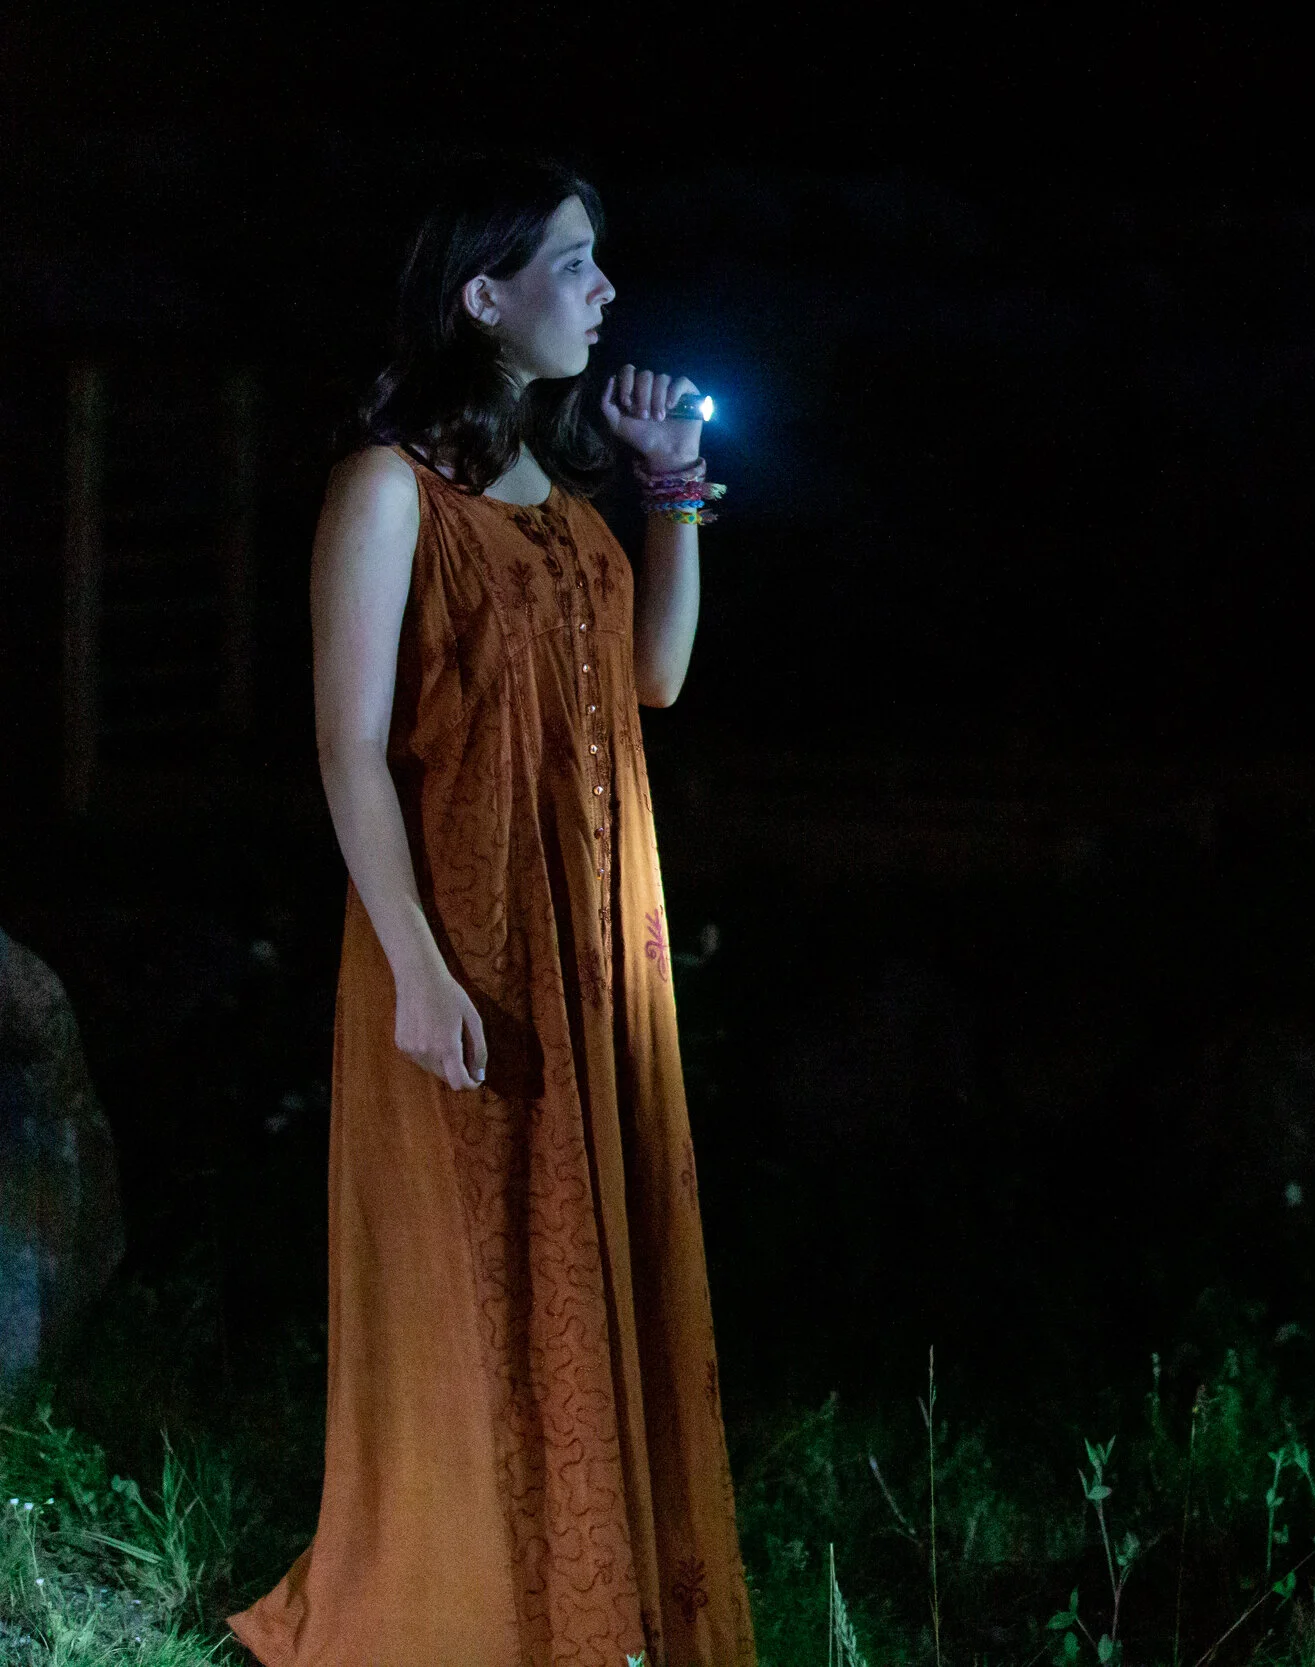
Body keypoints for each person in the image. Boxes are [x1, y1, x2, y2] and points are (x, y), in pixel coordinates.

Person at [230, 157, 752, 1667]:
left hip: (588, 938)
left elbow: (655, 680)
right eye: (572, 262)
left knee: (581, 1262)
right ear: (483, 296)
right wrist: (415, 966)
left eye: (599, 260)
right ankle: (458, 1605)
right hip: (458, 934)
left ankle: (577, 1598)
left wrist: (671, 490)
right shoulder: (386, 488)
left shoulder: (564, 502)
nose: (604, 289)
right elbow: (346, 745)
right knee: (467, 1276)